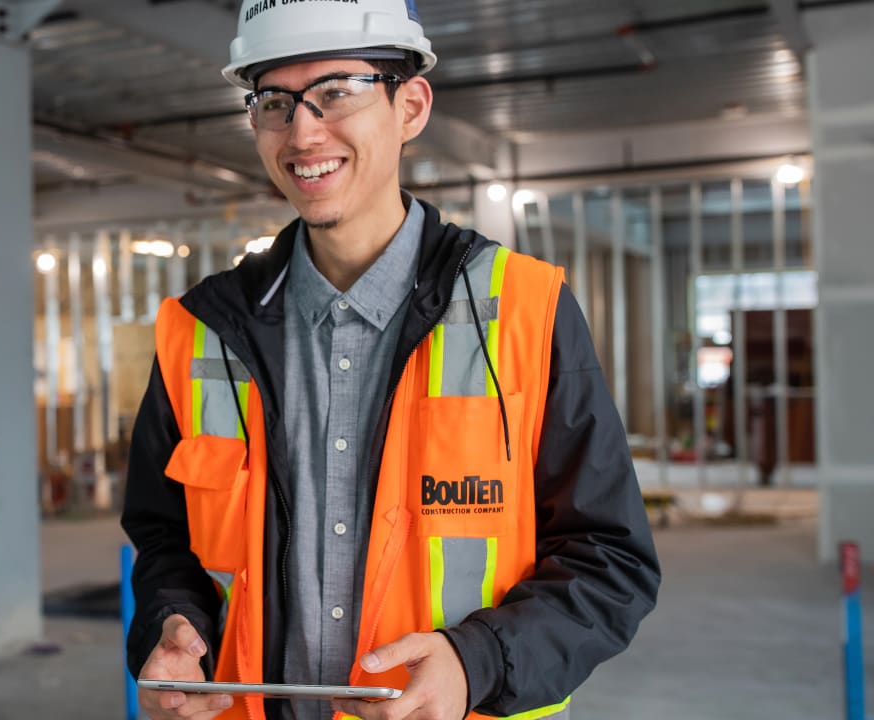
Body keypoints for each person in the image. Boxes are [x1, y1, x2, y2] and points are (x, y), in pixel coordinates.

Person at [120, 1, 661, 719]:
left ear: (411, 105)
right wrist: (171, 627)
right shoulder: (200, 330)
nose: (302, 131)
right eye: (274, 101)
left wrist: (477, 663)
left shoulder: (527, 308)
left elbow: (610, 559)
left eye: (335, 91)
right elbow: (165, 540)